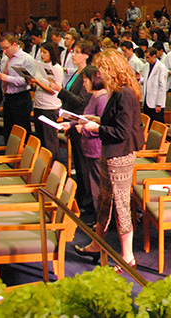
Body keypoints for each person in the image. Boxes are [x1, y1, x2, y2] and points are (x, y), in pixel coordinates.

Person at [73, 49, 144, 270]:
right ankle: (98, 243)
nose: (100, 73)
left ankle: (128, 257)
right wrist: (92, 121)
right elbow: (111, 121)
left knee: (121, 205)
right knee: (105, 201)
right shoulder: (118, 92)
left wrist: (96, 127)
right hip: (111, 152)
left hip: (119, 155)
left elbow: (121, 131)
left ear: (112, 69)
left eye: (103, 68)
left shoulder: (124, 94)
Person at [54, 40, 96, 220]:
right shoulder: (76, 73)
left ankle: (88, 199)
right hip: (72, 120)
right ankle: (81, 195)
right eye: (73, 51)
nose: (73, 55)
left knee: (84, 162)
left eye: (77, 52)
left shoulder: (88, 73)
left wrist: (60, 90)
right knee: (78, 163)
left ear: (86, 55)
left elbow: (81, 101)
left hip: (80, 121)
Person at [61, 65, 107, 225]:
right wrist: (73, 124)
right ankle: (97, 218)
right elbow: (88, 117)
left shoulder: (102, 99)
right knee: (92, 184)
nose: (84, 83)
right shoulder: (94, 97)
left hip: (96, 148)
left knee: (97, 186)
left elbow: (103, 126)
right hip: (89, 146)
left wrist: (83, 128)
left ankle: (100, 222)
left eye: (86, 80)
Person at [0, 34, 38, 140]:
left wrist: (7, 78)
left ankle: (24, 154)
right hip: (8, 96)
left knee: (22, 129)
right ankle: (10, 154)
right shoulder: (6, 58)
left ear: (14, 44)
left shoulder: (26, 59)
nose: (4, 51)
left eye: (6, 48)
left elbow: (27, 80)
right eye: (2, 48)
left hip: (21, 97)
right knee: (8, 130)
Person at [29, 42, 64, 162]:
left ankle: (53, 165)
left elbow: (54, 90)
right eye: (41, 52)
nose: (42, 55)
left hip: (49, 106)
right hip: (39, 104)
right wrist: (32, 82)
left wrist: (38, 82)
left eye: (45, 52)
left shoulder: (56, 68)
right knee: (41, 138)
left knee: (49, 140)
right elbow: (39, 84)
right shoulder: (40, 66)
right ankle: (42, 165)